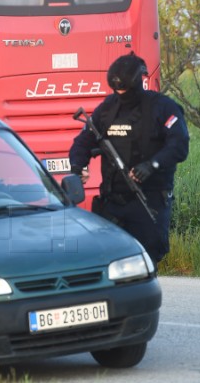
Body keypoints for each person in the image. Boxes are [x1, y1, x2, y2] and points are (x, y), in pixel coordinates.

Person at [69, 52, 189, 265]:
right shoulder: (108, 108)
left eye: (125, 89)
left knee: (147, 259)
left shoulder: (162, 107)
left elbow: (179, 145)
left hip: (148, 200)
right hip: (112, 202)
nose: (121, 94)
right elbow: (83, 141)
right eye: (117, 90)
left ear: (139, 82)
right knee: (108, 263)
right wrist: (78, 166)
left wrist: (152, 165)